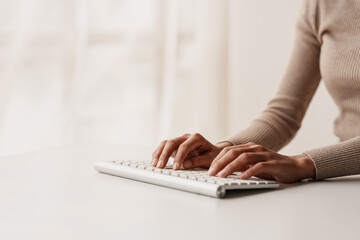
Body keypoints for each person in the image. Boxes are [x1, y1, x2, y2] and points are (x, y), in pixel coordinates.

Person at [151, 0, 360, 183]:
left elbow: (301, 157)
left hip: (335, 174)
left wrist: (304, 162)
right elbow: (284, 114)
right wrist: (224, 151)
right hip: (344, 182)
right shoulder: (322, 4)